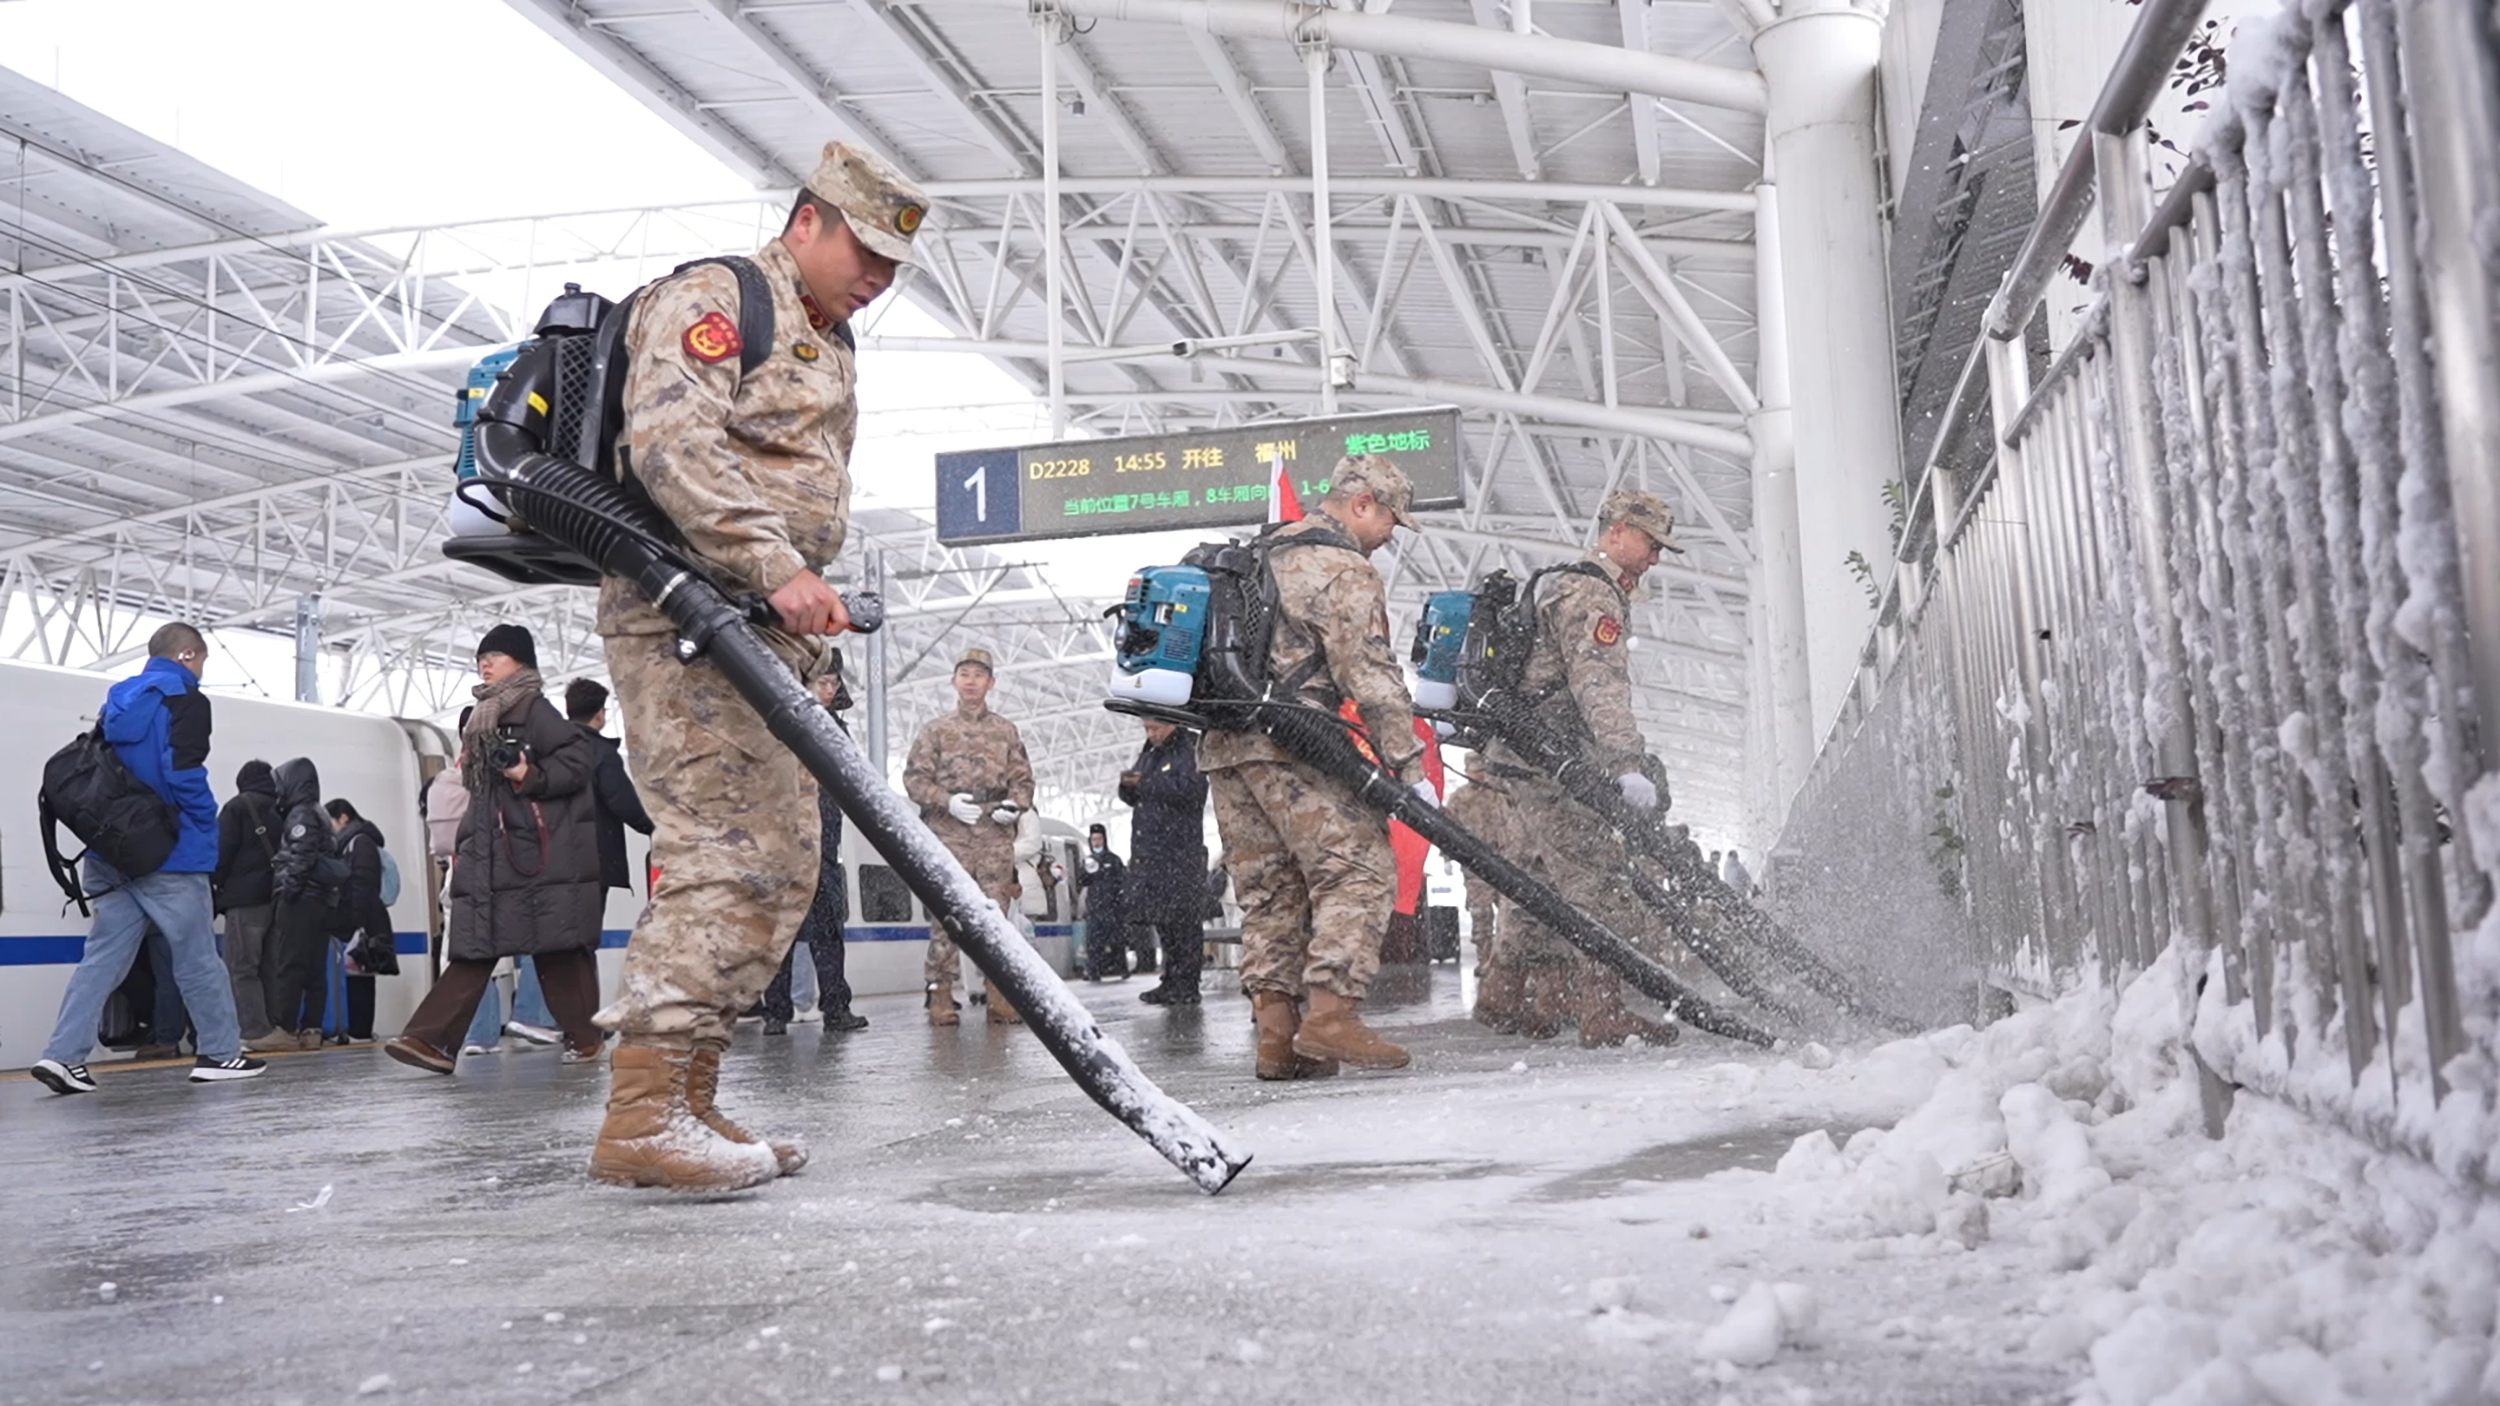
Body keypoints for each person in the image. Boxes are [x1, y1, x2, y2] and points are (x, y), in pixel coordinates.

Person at [589, 142, 927, 1191]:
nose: (877, 277)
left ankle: (689, 1095)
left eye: (893, 265)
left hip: (759, 627)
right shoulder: (719, 297)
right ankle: (641, 1112)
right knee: (720, 851)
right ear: (808, 220)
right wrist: (775, 565)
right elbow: (671, 445)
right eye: (863, 251)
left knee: (782, 860)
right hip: (685, 618)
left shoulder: (828, 340)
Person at [1203, 456, 1429, 1080]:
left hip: (1224, 748)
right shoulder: (1342, 570)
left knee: (1270, 891)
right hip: (1292, 744)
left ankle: (1277, 1041)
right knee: (1359, 868)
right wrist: (1411, 768)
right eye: (1390, 520)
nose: (1390, 535)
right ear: (1362, 505)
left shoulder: (1255, 555)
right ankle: (1331, 1015)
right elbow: (1373, 679)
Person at [1476, 489, 1685, 1048]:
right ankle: (1602, 1010)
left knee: (1537, 880)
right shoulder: (1594, 594)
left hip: (1521, 754)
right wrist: (1625, 764)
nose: (1655, 558)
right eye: (1650, 543)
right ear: (1617, 532)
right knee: (1599, 878)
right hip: (1551, 760)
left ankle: (1500, 992)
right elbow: (1599, 686)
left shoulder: (1561, 582)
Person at [30, 624, 266, 1093]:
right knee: (197, 955)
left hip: (111, 849)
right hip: (169, 852)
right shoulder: (186, 698)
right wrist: (203, 821)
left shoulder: (117, 699)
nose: (201, 669)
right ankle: (220, 1053)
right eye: (200, 660)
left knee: (102, 956)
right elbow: (183, 773)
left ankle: (62, 1056)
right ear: (186, 654)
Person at [385, 625, 611, 1074]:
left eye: (496, 656)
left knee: (554, 949)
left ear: (521, 663)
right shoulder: (484, 714)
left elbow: (576, 763)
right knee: (479, 946)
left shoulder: (535, 710)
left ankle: (584, 1038)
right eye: (481, 657)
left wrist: (529, 774)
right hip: (498, 849)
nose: (485, 664)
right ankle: (431, 1041)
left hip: (535, 853)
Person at [904, 647, 1036, 1028]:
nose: (971, 681)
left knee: (995, 917)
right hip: (950, 833)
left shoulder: (1005, 731)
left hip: (994, 833)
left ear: (991, 683)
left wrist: (1014, 805)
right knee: (947, 914)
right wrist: (945, 801)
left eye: (979, 674)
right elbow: (914, 779)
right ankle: (940, 993)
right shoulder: (936, 730)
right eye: (964, 673)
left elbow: (1023, 778)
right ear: (954, 681)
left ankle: (998, 991)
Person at [762, 673, 867, 1036]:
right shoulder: (778, 722)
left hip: (823, 846)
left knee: (828, 931)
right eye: (821, 682)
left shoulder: (837, 730)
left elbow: (853, 778)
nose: (827, 690)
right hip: (784, 847)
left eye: (833, 684)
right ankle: (776, 1013)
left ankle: (835, 1008)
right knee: (781, 933)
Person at [1120, 718, 1210, 1006]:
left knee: (1183, 922)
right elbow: (1136, 796)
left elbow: (1191, 789)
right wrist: (1129, 786)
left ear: (1172, 722)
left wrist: (1146, 783)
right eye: (1147, 729)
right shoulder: (1151, 752)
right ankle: (1169, 979)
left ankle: (1186, 984)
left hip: (1179, 852)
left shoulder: (1189, 748)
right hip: (1152, 853)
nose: (1151, 734)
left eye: (1155, 728)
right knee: (1163, 920)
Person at [213, 759, 296, 1053]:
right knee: (269, 966)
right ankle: (273, 1027)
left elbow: (221, 855)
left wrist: (216, 888)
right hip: (278, 899)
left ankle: (255, 1031)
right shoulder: (285, 810)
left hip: (245, 901)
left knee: (241, 967)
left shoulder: (237, 808)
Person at [1443, 778, 1526, 1031]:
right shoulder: (1460, 797)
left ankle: (1506, 966)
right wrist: (1447, 856)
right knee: (1480, 915)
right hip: (1474, 861)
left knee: (1511, 917)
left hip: (1503, 859)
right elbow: (1449, 826)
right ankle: (1485, 961)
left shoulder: (1500, 793)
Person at [324, 798, 395, 1044]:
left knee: (360, 976)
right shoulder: (354, 842)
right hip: (359, 918)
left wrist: (356, 924)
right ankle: (355, 1029)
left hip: (362, 921)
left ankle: (360, 1031)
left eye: (331, 820)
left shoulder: (360, 842)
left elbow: (364, 885)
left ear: (344, 817)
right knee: (356, 974)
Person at [1074, 823, 1129, 982]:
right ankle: (1094, 970)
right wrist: (1087, 871)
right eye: (1093, 840)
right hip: (1095, 907)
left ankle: (1121, 967)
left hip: (1112, 907)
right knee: (1094, 941)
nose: (1096, 843)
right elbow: (1083, 880)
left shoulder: (1114, 860)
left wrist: (1120, 899)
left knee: (1117, 939)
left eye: (1099, 839)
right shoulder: (1089, 861)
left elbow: (1122, 880)